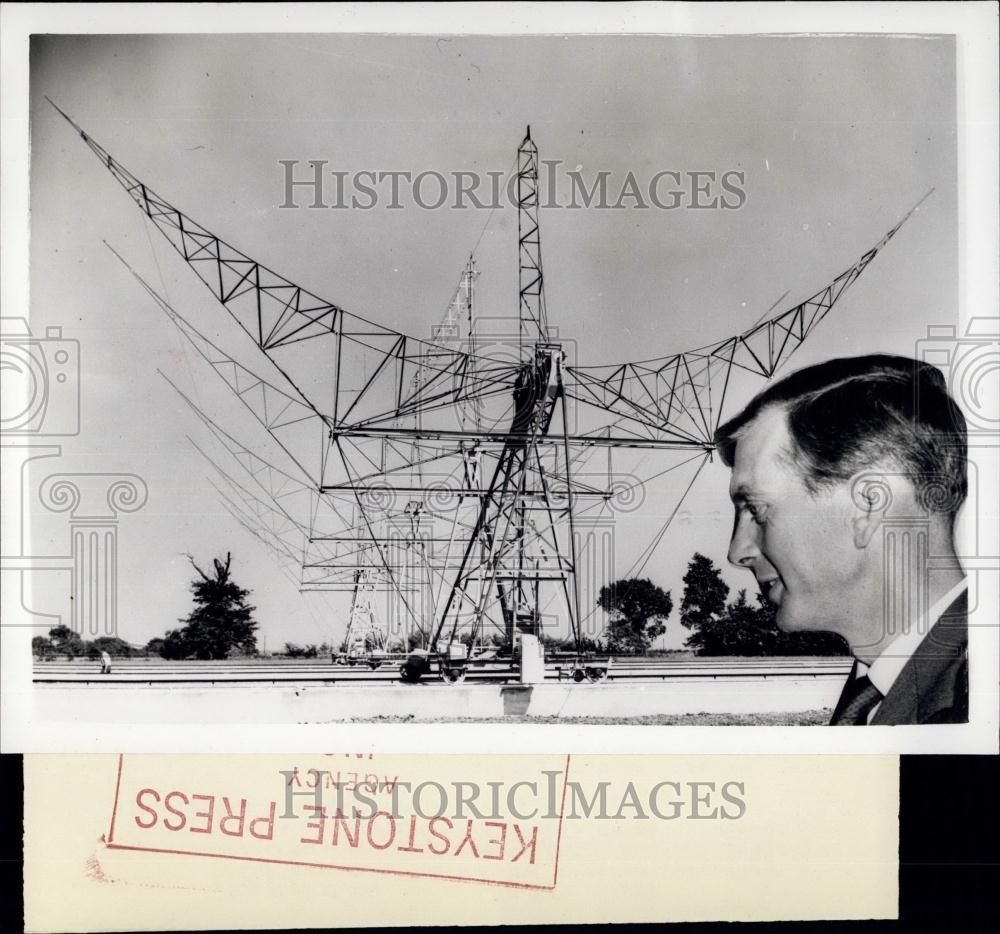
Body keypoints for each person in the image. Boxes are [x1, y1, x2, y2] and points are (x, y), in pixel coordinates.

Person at [714, 354, 968, 725]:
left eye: (757, 510)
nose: (738, 552)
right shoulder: (875, 692)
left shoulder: (976, 700)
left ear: (868, 505)